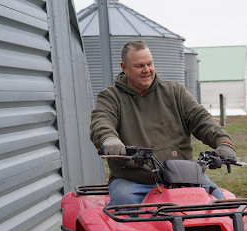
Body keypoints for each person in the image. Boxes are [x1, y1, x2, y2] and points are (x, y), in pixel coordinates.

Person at [90, 41, 236, 205]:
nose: (147, 70)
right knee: (125, 205)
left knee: (217, 200)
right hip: (134, 181)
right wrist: (109, 139)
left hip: (183, 177)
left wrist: (223, 141)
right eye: (139, 66)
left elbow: (200, 118)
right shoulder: (111, 97)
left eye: (149, 64)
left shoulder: (175, 91)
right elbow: (101, 120)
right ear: (124, 67)